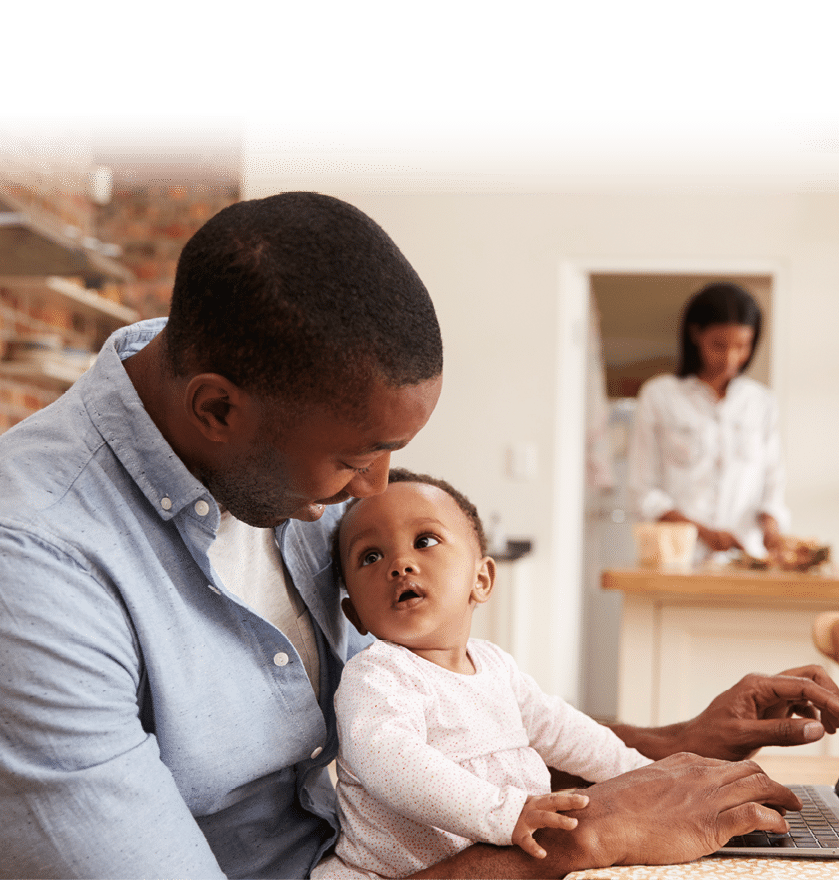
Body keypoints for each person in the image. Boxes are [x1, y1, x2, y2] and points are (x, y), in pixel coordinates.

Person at [1, 196, 838, 880]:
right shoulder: (35, 566)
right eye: (356, 459)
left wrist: (671, 743)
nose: (372, 493)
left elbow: (466, 717)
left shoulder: (268, 406)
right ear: (217, 410)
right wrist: (583, 839)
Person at [315, 469, 651, 879]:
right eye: (371, 556)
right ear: (355, 615)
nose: (400, 564)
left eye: (425, 541)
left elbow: (566, 730)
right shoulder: (376, 675)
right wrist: (503, 813)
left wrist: (645, 775)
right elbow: (392, 762)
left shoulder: (497, 667)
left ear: (481, 578)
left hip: (496, 864)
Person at [628, 282, 790, 559]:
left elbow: (772, 483)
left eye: (742, 346)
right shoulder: (660, 396)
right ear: (695, 334)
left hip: (746, 560)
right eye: (718, 345)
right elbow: (643, 492)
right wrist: (702, 533)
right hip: (678, 560)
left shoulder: (761, 403)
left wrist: (771, 530)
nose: (730, 358)